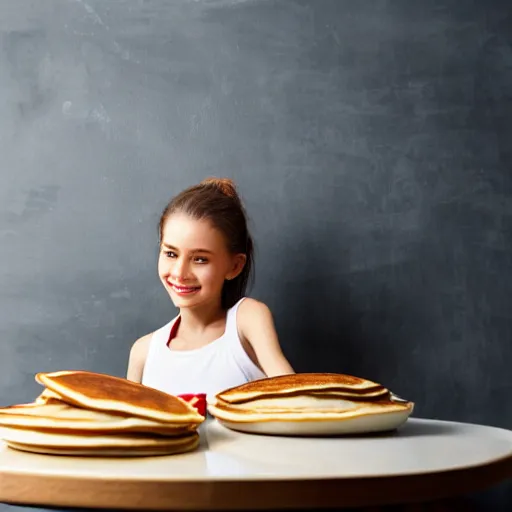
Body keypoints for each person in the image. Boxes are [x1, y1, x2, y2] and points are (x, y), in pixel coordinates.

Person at [126, 177, 294, 404]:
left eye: (200, 259)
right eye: (171, 254)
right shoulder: (143, 352)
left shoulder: (247, 320)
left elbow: (296, 400)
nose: (180, 272)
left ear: (234, 266)